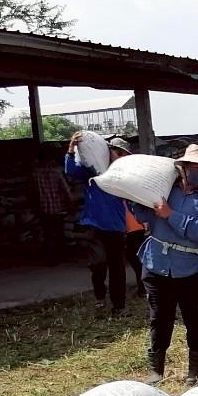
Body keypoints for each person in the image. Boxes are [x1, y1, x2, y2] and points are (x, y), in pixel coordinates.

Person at [127, 144, 198, 386]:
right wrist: (136, 199)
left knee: (193, 319)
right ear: (184, 168)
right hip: (156, 265)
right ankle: (156, 370)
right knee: (159, 319)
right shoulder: (165, 190)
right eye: (196, 167)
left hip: (191, 269)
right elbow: (143, 216)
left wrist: (170, 215)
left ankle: (194, 371)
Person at [65, 133, 131, 313]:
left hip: (116, 226)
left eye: (124, 154)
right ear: (108, 151)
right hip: (94, 224)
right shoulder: (91, 169)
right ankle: (100, 296)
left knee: (117, 268)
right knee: (98, 264)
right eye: (118, 152)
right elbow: (71, 171)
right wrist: (71, 149)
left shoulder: (124, 175)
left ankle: (119, 306)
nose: (121, 157)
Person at [31, 143, 73, 265]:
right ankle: (61, 256)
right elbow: (66, 190)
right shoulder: (57, 172)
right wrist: (70, 203)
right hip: (58, 208)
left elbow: (33, 192)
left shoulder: (35, 174)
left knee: (48, 234)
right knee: (59, 232)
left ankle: (51, 258)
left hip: (43, 209)